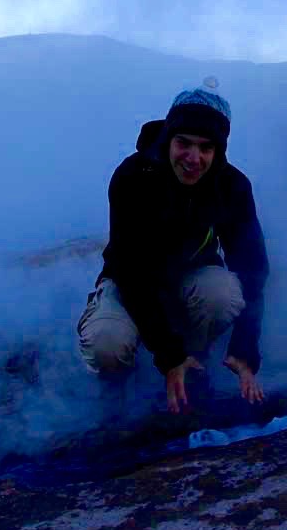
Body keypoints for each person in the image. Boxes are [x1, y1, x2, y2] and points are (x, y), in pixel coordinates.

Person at [77, 78, 270, 414]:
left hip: (191, 277)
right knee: (107, 343)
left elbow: (252, 267)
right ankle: (116, 391)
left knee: (222, 294)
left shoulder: (232, 186)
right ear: (168, 138)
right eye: (184, 143)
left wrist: (244, 349)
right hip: (131, 282)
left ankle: (194, 365)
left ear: (218, 150)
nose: (193, 158)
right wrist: (168, 357)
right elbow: (130, 270)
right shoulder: (134, 177)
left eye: (206, 147)